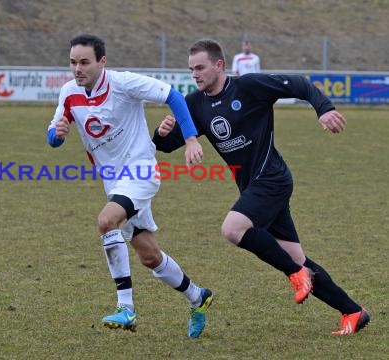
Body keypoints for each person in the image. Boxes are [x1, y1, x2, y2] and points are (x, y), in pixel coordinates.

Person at [153, 39, 370, 335]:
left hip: (273, 178)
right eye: (191, 69)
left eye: (200, 67)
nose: (195, 74)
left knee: (232, 229)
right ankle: (353, 311)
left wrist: (324, 108)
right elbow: (168, 145)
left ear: (219, 65)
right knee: (296, 257)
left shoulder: (249, 86)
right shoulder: (195, 103)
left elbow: (298, 84)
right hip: (252, 186)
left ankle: (297, 275)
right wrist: (161, 133)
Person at [47, 34, 213, 338]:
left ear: (102, 62)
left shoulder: (123, 83)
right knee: (150, 256)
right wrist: (57, 134)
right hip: (113, 181)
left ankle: (126, 308)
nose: (77, 68)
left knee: (106, 221)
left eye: (84, 62)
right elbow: (54, 135)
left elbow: (173, 97)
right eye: (73, 62)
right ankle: (198, 296)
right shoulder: (69, 93)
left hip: (140, 171)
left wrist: (190, 139)